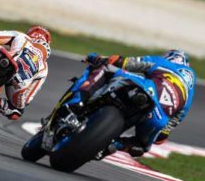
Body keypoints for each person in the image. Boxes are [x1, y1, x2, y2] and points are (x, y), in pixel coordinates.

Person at [59, 50, 195, 157]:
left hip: (146, 87)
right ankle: (111, 145)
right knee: (141, 147)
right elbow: (162, 136)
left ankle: (76, 103)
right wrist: (157, 133)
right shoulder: (189, 94)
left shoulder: (163, 62)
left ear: (170, 57)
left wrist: (97, 58)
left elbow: (122, 62)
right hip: (158, 118)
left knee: (106, 68)